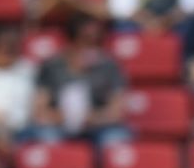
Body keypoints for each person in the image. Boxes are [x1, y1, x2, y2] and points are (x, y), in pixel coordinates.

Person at [30, 16, 131, 148]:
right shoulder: (52, 66)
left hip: (98, 126)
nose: (93, 47)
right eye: (87, 40)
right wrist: (63, 117)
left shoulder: (109, 66)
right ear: (71, 41)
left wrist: (94, 118)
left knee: (115, 138)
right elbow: (39, 111)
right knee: (46, 137)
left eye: (98, 41)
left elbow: (117, 111)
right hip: (59, 125)